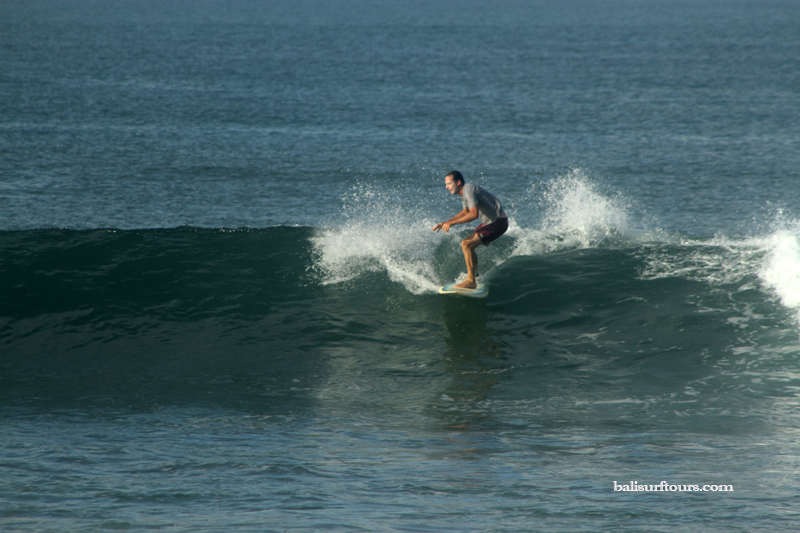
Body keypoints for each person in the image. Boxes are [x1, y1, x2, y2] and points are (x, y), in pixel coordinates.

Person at [432, 170, 509, 289]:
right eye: (446, 184)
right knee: (470, 246)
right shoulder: (464, 193)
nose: (446, 187)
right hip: (490, 222)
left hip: (498, 222)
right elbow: (465, 212)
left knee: (465, 244)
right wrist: (447, 222)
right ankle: (475, 276)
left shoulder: (468, 190)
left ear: (458, 182)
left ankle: (471, 281)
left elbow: (473, 214)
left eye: (449, 183)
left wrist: (452, 223)